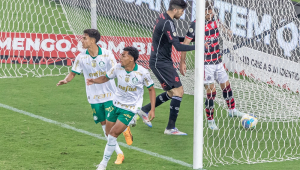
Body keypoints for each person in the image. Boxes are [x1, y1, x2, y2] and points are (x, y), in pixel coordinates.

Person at [56, 29, 133, 165]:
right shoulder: (81, 57)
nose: (82, 40)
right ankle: (119, 153)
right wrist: (66, 80)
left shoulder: (107, 54)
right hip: (93, 97)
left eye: (84, 38)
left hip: (110, 95)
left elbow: (116, 70)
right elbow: (73, 72)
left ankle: (125, 127)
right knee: (105, 128)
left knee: (112, 126)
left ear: (92, 40)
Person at [86, 46, 156, 170]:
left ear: (131, 59)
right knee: (108, 133)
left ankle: (103, 164)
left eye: (123, 55)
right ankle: (126, 127)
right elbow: (106, 77)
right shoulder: (117, 68)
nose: (120, 58)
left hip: (130, 108)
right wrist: (94, 81)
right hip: (115, 104)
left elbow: (151, 89)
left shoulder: (143, 72)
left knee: (113, 134)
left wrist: (152, 109)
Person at [180, 1, 245, 130]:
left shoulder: (215, 18)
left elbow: (220, 26)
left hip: (217, 61)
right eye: (207, 12)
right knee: (211, 93)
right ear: (201, 12)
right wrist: (182, 61)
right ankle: (210, 121)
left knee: (226, 85)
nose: (210, 14)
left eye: (211, 12)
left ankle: (232, 110)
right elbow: (185, 42)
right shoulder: (195, 24)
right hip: (206, 64)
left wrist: (227, 31)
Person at [138, 0, 195, 135]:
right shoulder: (168, 23)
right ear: (175, 10)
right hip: (160, 63)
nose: (182, 14)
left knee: (171, 93)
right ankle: (170, 128)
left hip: (163, 61)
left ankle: (144, 110)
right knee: (178, 91)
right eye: (182, 11)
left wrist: (193, 39)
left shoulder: (164, 17)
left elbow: (173, 38)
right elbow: (178, 46)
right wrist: (198, 48)